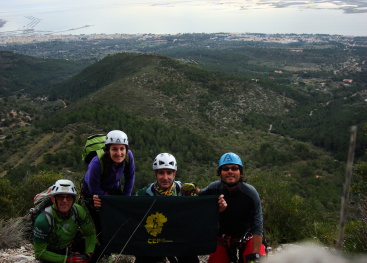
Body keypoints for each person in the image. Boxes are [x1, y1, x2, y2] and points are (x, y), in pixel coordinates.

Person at [197, 152, 266, 263]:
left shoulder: (250, 193)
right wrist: (189, 189)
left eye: (234, 168)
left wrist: (255, 255)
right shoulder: (214, 188)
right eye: (226, 169)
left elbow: (257, 224)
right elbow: (199, 196)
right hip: (224, 238)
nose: (230, 171)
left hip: (248, 236)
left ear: (240, 172)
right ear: (220, 173)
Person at [134, 152, 199, 263]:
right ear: (155, 174)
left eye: (169, 173)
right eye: (161, 173)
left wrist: (193, 196)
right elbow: (131, 209)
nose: (165, 177)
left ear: (174, 174)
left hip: (179, 237)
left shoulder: (183, 191)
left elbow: (200, 206)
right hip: (154, 237)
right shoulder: (145, 193)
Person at [81, 129, 135, 261]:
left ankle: (121, 244)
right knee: (100, 220)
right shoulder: (96, 162)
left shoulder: (128, 156)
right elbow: (93, 186)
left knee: (120, 214)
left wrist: (124, 199)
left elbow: (130, 177)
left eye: (122, 149)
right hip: (92, 192)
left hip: (112, 187)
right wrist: (106, 200)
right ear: (108, 150)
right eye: (114, 149)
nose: (119, 153)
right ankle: (106, 252)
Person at [33, 179, 97, 263]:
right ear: (53, 199)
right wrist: (66, 260)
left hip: (71, 245)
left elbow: (90, 234)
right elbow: (39, 252)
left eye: (69, 197)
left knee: (99, 251)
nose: (65, 201)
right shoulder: (43, 220)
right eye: (60, 197)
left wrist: (88, 254)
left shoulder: (78, 211)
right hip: (51, 250)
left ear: (74, 199)